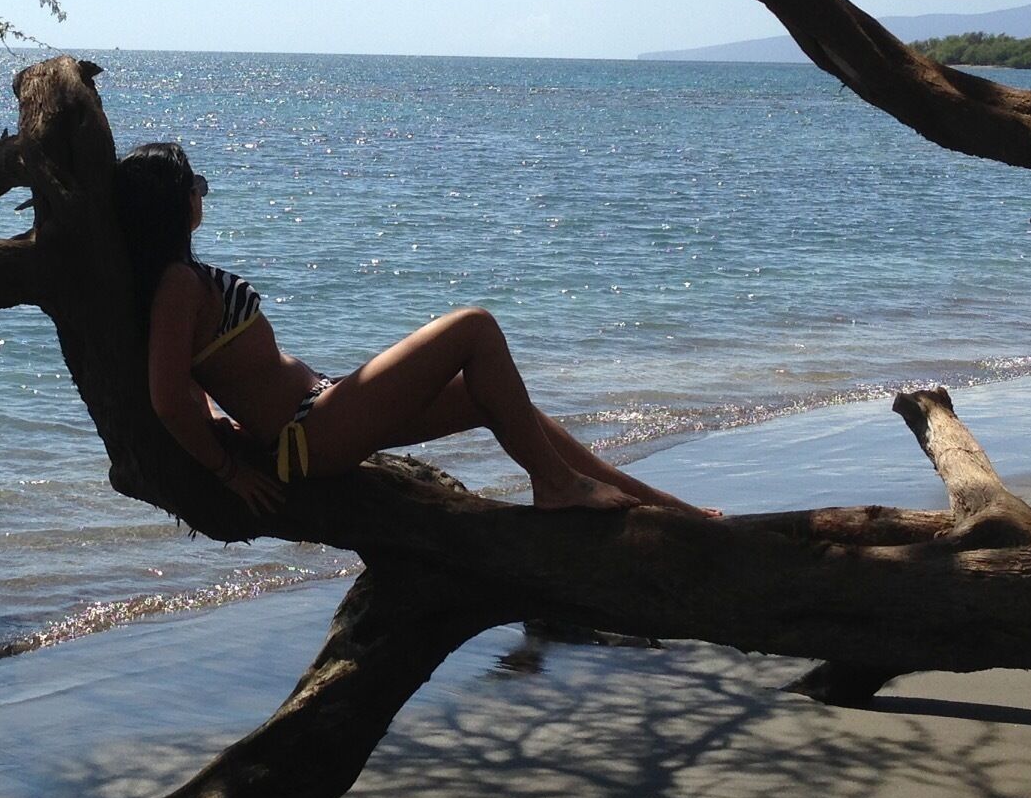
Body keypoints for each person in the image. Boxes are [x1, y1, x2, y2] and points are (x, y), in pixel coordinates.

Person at [114, 141, 712, 516]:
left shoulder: (177, 282)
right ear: (172, 204)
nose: (203, 192)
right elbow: (168, 397)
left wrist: (221, 421)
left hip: (319, 413)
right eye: (195, 184)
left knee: (503, 403)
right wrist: (227, 471)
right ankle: (557, 487)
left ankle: (659, 507)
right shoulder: (176, 286)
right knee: (473, 327)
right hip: (309, 435)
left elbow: (187, 382)